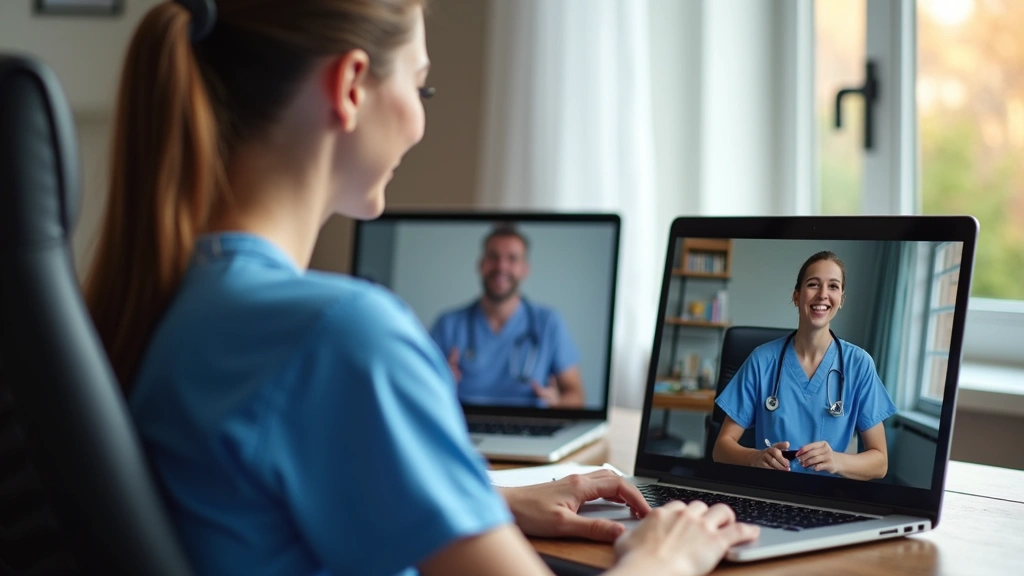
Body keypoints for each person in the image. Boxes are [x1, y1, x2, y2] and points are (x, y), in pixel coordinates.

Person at [83, 1, 758, 575]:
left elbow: (278, 486)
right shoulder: (340, 334)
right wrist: (663, 557)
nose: (420, 118)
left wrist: (481, 499)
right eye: (422, 87)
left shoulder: (171, 299)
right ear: (351, 85)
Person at [712, 251, 897, 480]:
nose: (822, 295)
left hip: (828, 499)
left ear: (841, 300)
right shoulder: (762, 360)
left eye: (833, 286)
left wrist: (837, 460)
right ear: (796, 296)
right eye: (813, 285)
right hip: (770, 492)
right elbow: (721, 448)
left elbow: (880, 463)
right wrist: (754, 458)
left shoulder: (859, 365)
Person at [430, 226, 585, 408]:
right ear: (481, 264)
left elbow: (577, 396)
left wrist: (557, 402)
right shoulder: (448, 325)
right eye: (493, 257)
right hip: (463, 423)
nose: (501, 266)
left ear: (525, 269)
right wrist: (438, 384)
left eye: (512, 259)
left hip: (529, 425)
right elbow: (418, 391)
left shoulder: (548, 323)